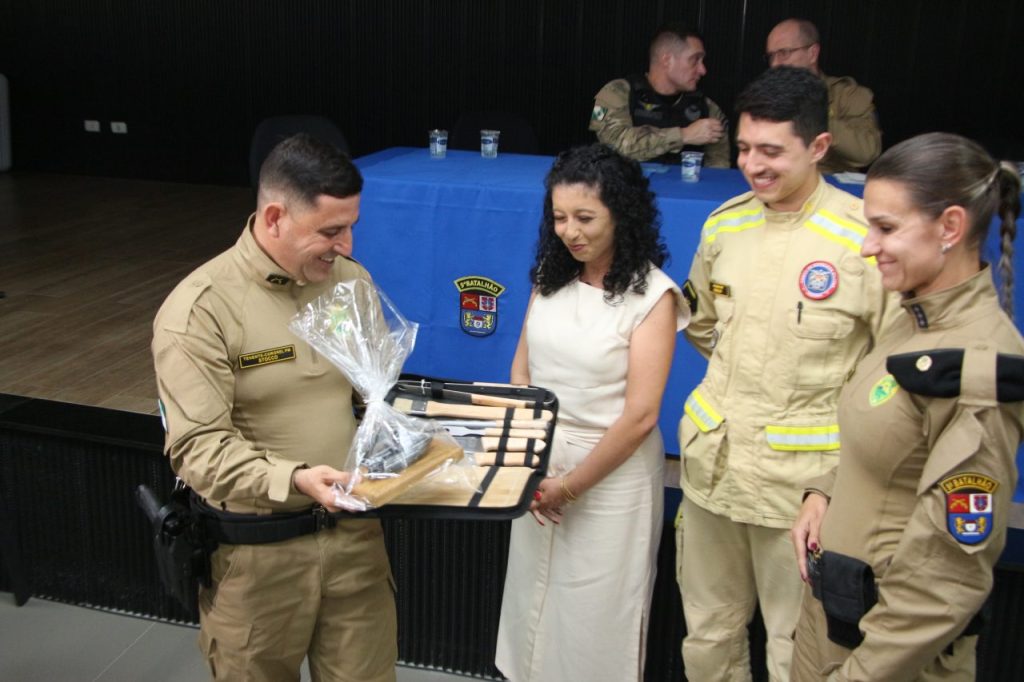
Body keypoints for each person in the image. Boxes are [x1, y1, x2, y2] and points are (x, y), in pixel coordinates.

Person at [675, 66, 894, 682]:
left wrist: (836, 485)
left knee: (797, 650)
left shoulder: (861, 241)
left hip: (802, 494)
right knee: (708, 639)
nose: (752, 164)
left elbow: (887, 375)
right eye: (744, 148)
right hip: (713, 474)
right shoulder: (725, 223)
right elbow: (703, 325)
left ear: (819, 147)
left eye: (772, 151)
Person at [151, 133, 397, 681]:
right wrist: (297, 479)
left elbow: (377, 400)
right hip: (257, 561)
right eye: (331, 231)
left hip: (355, 540)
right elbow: (197, 450)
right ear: (275, 217)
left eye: (352, 225)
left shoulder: (350, 285)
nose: (348, 245)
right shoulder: (200, 311)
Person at [790, 133, 1024, 681]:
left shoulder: (977, 369)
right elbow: (886, 439)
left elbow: (949, 573)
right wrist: (825, 489)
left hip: (884, 656)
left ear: (949, 227)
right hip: (834, 620)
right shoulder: (911, 317)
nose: (868, 247)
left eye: (887, 228)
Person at [495, 144, 689, 681]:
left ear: (621, 214)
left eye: (585, 218)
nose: (569, 231)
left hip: (612, 475)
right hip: (542, 462)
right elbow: (521, 373)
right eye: (559, 217)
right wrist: (530, 464)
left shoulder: (653, 296)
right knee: (531, 604)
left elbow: (641, 416)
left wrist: (572, 485)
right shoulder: (550, 276)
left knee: (597, 617)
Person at [589, 23, 730, 167]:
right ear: (667, 60)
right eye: (695, 60)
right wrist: (683, 135)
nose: (703, 70)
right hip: (628, 187)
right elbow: (614, 146)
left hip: (685, 188)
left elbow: (719, 166)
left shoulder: (707, 107)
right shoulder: (615, 93)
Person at [766, 18, 881, 174]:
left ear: (813, 53)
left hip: (830, 186)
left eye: (784, 53)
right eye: (771, 56)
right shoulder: (766, 94)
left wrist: (816, 116)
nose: (775, 64)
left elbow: (866, 153)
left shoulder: (847, 96)